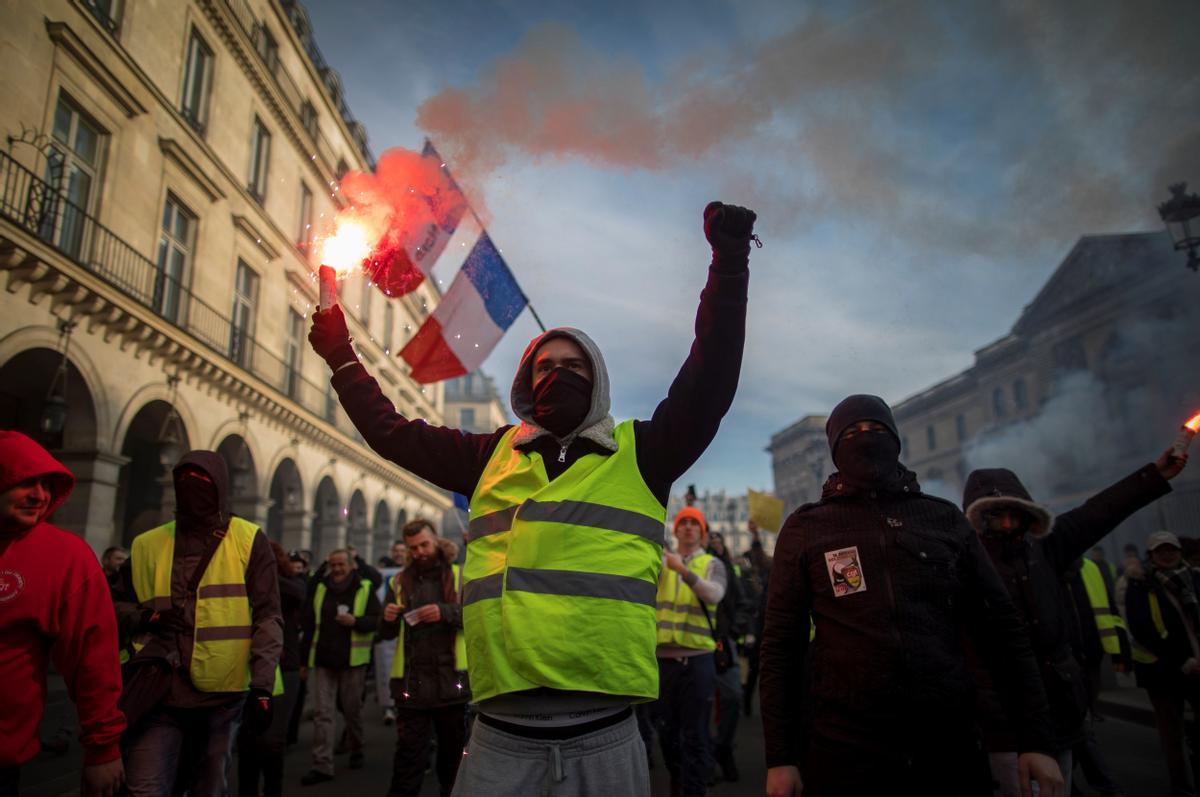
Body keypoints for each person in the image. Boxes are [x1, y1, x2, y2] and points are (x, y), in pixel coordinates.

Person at [308, 201, 756, 795]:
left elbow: (711, 378)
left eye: (574, 366)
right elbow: (390, 431)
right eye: (545, 367)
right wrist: (341, 356)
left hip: (609, 733)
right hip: (499, 735)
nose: (558, 375)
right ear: (526, 384)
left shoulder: (643, 453)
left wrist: (727, 267)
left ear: (596, 384)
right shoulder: (488, 456)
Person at [760, 395, 1063, 797]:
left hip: (947, 747)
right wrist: (781, 757)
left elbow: (1004, 634)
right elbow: (781, 646)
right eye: (851, 434)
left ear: (896, 441)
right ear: (835, 450)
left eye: (876, 430)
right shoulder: (807, 528)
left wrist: (1037, 741)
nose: (865, 439)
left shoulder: (944, 519)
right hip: (844, 751)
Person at [961, 445, 1185, 794]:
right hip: (1004, 723)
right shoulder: (964, 564)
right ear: (978, 519)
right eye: (995, 515)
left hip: (1062, 712)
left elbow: (1097, 513)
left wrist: (1153, 476)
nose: (1006, 524)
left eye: (1014, 513)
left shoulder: (1046, 547)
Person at [115, 451, 282, 797]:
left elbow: (268, 615)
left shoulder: (248, 539)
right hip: (158, 689)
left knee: (209, 788)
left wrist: (262, 688)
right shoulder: (147, 544)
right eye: (184, 482)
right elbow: (112, 604)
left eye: (203, 483)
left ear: (220, 488)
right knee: (145, 788)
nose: (193, 490)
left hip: (222, 694)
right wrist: (147, 617)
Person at [0, 431, 125, 797]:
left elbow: (94, 658)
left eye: (46, 484)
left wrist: (103, 748)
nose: (39, 495)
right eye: (25, 481)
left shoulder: (64, 557)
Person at [378, 519, 469, 797]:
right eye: (413, 547)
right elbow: (385, 632)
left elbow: (478, 618)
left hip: (451, 682)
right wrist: (388, 618)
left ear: (436, 540)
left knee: (452, 762)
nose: (420, 552)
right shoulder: (398, 580)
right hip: (412, 684)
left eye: (424, 544)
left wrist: (446, 612)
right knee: (408, 761)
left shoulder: (459, 574)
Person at [654, 507, 726, 796]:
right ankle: (678, 782)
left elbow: (715, 594)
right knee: (667, 734)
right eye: (682, 522)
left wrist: (682, 571)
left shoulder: (712, 563)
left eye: (693, 524)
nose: (687, 527)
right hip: (663, 661)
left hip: (698, 662)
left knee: (695, 734)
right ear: (675, 530)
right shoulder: (661, 563)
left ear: (702, 532)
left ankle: (694, 790)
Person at [1125, 530, 1200, 796]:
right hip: (1163, 671)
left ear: (1179, 552)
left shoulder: (1193, 578)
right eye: (1160, 551)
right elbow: (1141, 628)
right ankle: (1182, 787)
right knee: (1172, 736)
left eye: (1171, 549)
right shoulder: (1140, 584)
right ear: (1151, 555)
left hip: (1197, 666)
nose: (1167, 554)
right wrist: (1183, 660)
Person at [298, 549, 381, 785]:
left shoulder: (364, 587)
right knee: (323, 714)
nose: (336, 569)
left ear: (351, 565)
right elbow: (309, 624)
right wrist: (304, 662)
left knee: (351, 709)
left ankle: (357, 747)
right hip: (324, 659)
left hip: (352, 660)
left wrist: (356, 621)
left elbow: (376, 620)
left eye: (341, 564)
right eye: (332, 564)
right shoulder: (321, 587)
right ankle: (322, 764)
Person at [237, 541, 307, 797]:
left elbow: (297, 594)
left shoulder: (289, 584)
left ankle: (272, 790)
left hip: (284, 668)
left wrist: (263, 574)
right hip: (246, 665)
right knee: (248, 738)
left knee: (272, 739)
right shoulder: (239, 582)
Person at [705, 529, 750, 783]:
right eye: (711, 541)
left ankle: (722, 748)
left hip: (725, 643)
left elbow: (743, 603)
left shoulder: (729, 572)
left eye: (718, 540)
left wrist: (733, 632)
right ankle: (708, 758)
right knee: (703, 705)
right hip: (700, 644)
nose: (715, 544)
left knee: (733, 697)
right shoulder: (699, 569)